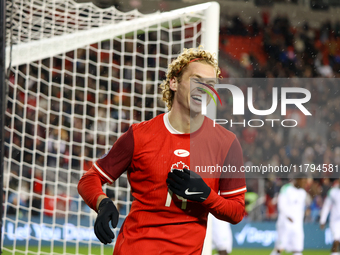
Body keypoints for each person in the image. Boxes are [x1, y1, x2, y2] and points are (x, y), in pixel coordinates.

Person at [77, 46, 247, 255]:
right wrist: (102, 203)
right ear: (174, 82)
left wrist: (206, 195)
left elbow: (237, 211)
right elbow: (90, 178)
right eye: (197, 80)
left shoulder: (226, 143)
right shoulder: (139, 136)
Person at [270, 175, 308, 255]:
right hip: (285, 223)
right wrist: (288, 216)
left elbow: (301, 209)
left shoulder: (303, 193)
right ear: (298, 179)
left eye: (305, 182)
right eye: (303, 181)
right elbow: (281, 205)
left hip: (298, 225)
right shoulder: (286, 188)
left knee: (298, 250)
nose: (304, 184)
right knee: (279, 249)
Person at [320, 179, 340, 255]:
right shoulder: (333, 192)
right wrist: (322, 220)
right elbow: (326, 206)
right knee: (336, 240)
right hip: (335, 221)